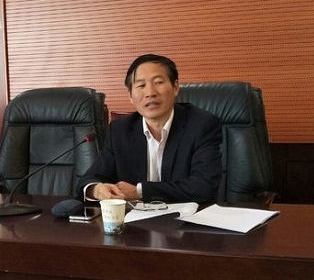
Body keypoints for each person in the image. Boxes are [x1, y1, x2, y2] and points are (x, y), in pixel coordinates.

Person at [78, 53, 222, 203]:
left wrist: (139, 191)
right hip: (135, 217)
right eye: (141, 85)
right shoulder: (120, 131)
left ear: (175, 87)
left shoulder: (201, 125)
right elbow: (89, 179)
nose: (150, 93)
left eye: (158, 82)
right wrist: (96, 189)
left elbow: (204, 187)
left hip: (187, 216)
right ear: (131, 96)